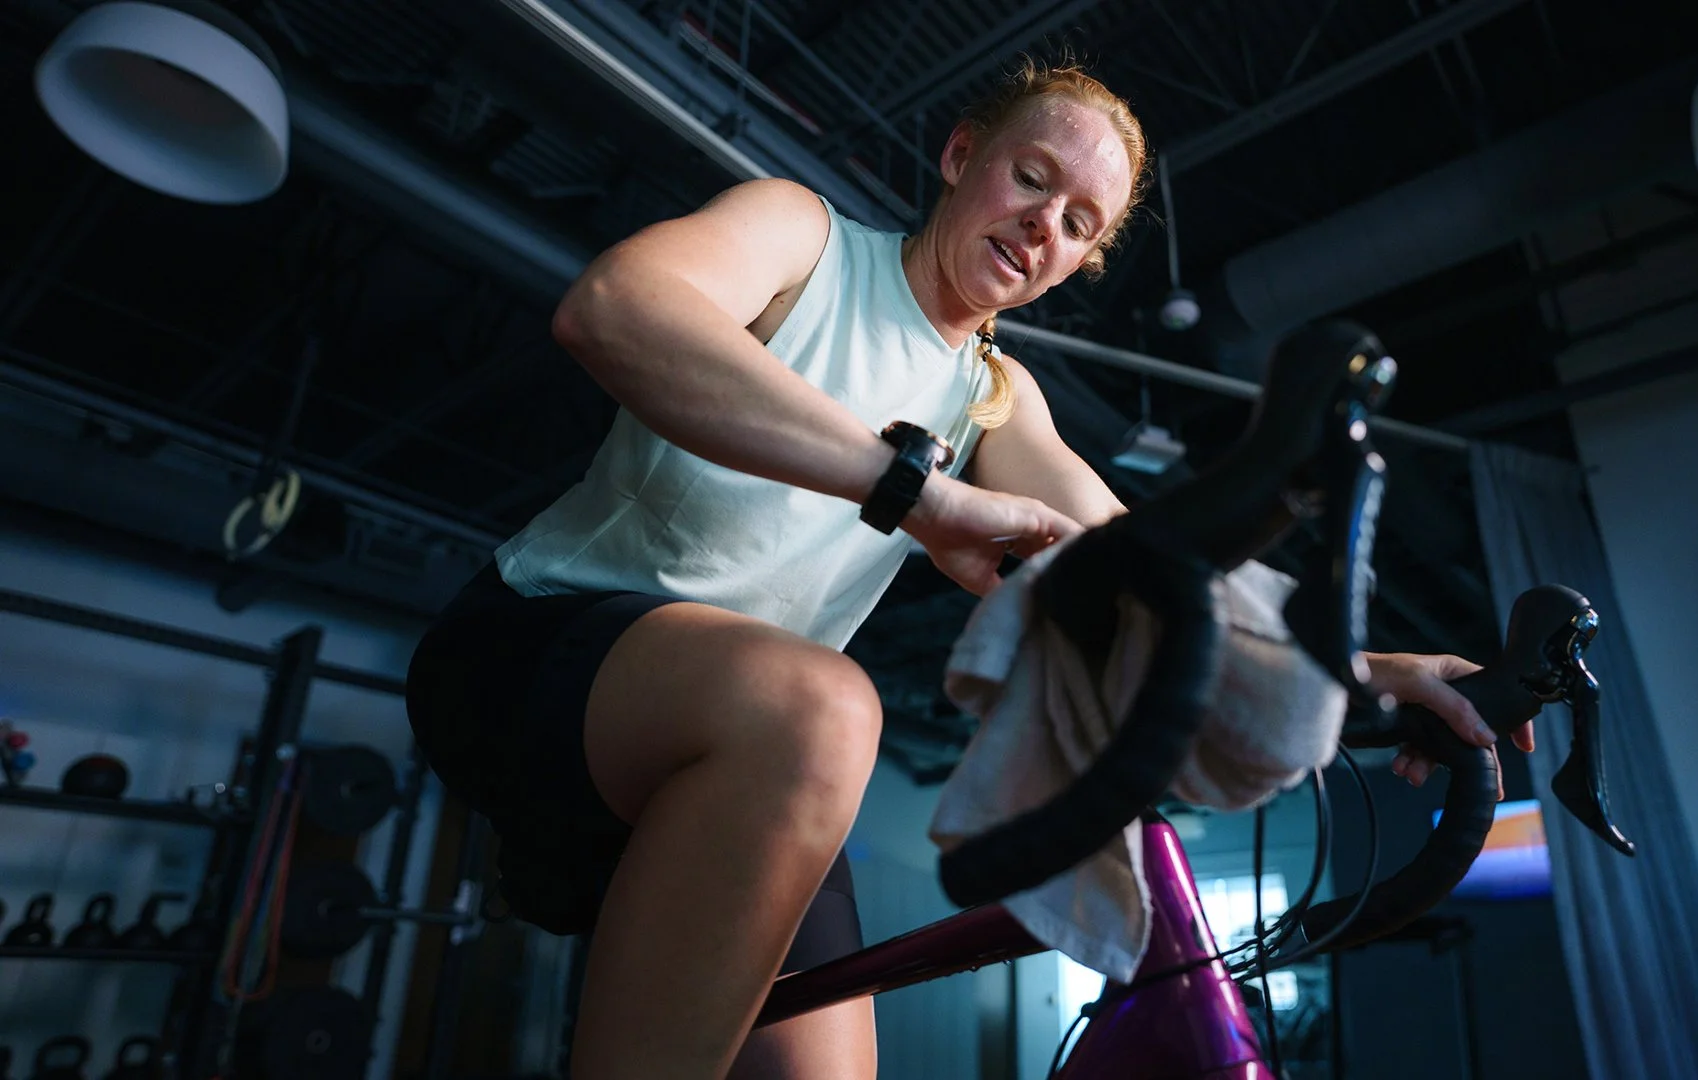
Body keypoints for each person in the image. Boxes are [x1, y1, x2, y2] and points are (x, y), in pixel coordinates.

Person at [405, 57, 1531, 1080]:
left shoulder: (993, 396)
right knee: (828, 706)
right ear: (960, 156)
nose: (1043, 224)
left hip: (760, 760)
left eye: (1077, 223)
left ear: (1079, 263)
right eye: (1031, 178)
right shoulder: (804, 237)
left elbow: (1145, 560)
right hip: (541, 652)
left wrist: (1367, 668)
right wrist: (917, 493)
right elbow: (616, 309)